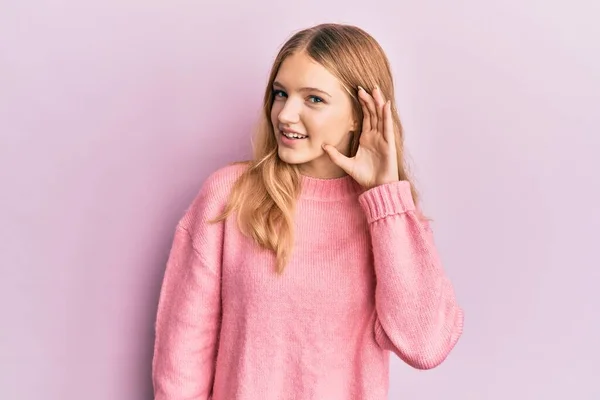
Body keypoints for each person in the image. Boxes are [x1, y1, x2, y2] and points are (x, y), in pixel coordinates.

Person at [152, 23, 464, 400]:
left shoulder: (389, 217)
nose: (285, 114)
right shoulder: (228, 196)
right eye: (281, 94)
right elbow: (182, 358)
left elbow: (425, 345)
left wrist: (386, 199)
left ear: (358, 113)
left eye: (313, 99)